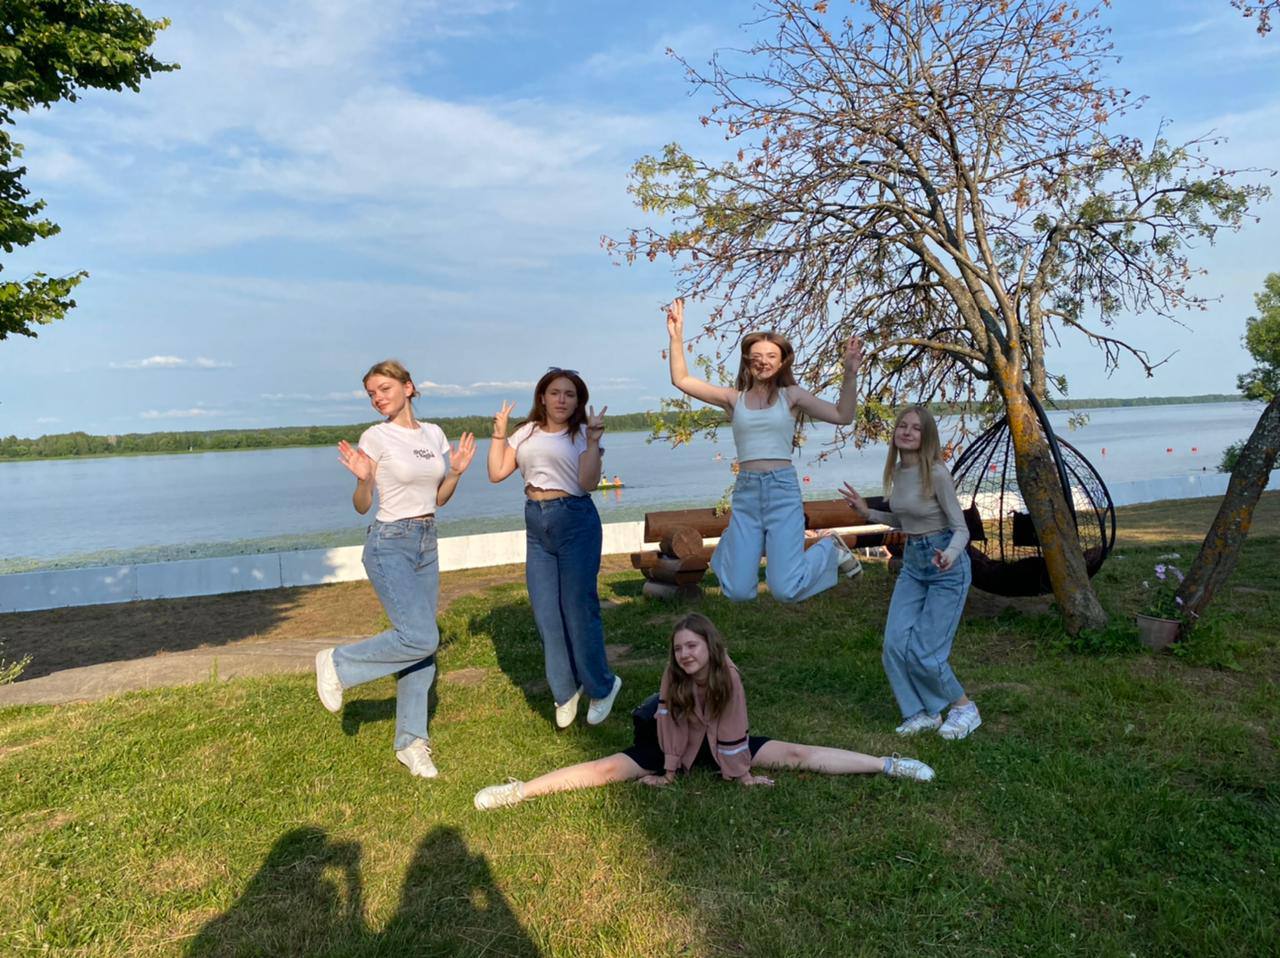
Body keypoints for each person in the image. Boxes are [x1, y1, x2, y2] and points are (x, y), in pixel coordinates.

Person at [473, 612, 933, 810]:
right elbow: (669, 725)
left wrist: (742, 774)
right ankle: (519, 791)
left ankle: (888, 764)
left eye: (691, 646)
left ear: (709, 646)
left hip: (722, 745)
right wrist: (669, 772)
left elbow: (733, 728)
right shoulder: (672, 675)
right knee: (606, 769)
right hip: (670, 745)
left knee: (797, 754)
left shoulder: (728, 676)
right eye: (678, 648)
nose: (684, 655)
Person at [314, 360, 476, 779]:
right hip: (389, 543)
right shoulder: (375, 436)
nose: (377, 398)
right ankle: (337, 663)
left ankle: (411, 742)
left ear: (409, 387)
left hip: (426, 540)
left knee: (421, 646)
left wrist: (456, 472)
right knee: (421, 636)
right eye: (371, 393)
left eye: (384, 388)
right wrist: (363, 480)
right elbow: (361, 506)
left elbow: (438, 498)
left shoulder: (433, 434)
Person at [665, 297, 865, 602]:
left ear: (782, 362)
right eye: (756, 356)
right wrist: (676, 337)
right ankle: (731, 545)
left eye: (771, 355)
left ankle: (829, 548)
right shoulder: (733, 399)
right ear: (747, 361)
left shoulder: (791, 396)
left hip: (782, 491)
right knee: (739, 592)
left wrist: (850, 374)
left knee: (785, 590)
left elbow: (843, 415)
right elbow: (681, 380)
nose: (763, 361)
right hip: (747, 492)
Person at [487, 368, 622, 728]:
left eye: (570, 394)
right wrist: (499, 434)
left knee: (578, 610)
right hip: (537, 522)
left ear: (578, 402)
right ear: (542, 398)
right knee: (546, 611)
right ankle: (564, 691)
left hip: (575, 519)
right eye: (555, 393)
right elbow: (497, 472)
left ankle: (602, 686)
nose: (562, 399)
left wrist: (593, 443)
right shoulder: (526, 432)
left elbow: (588, 482)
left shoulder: (581, 435)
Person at [839, 405, 980, 740]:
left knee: (925, 651)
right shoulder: (899, 471)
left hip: (946, 564)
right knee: (894, 644)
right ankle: (921, 713)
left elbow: (961, 529)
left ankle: (964, 708)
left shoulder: (937, 473)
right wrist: (867, 512)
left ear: (926, 436)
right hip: (914, 563)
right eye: (902, 425)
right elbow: (905, 521)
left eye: (915, 428)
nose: (906, 431)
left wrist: (949, 555)